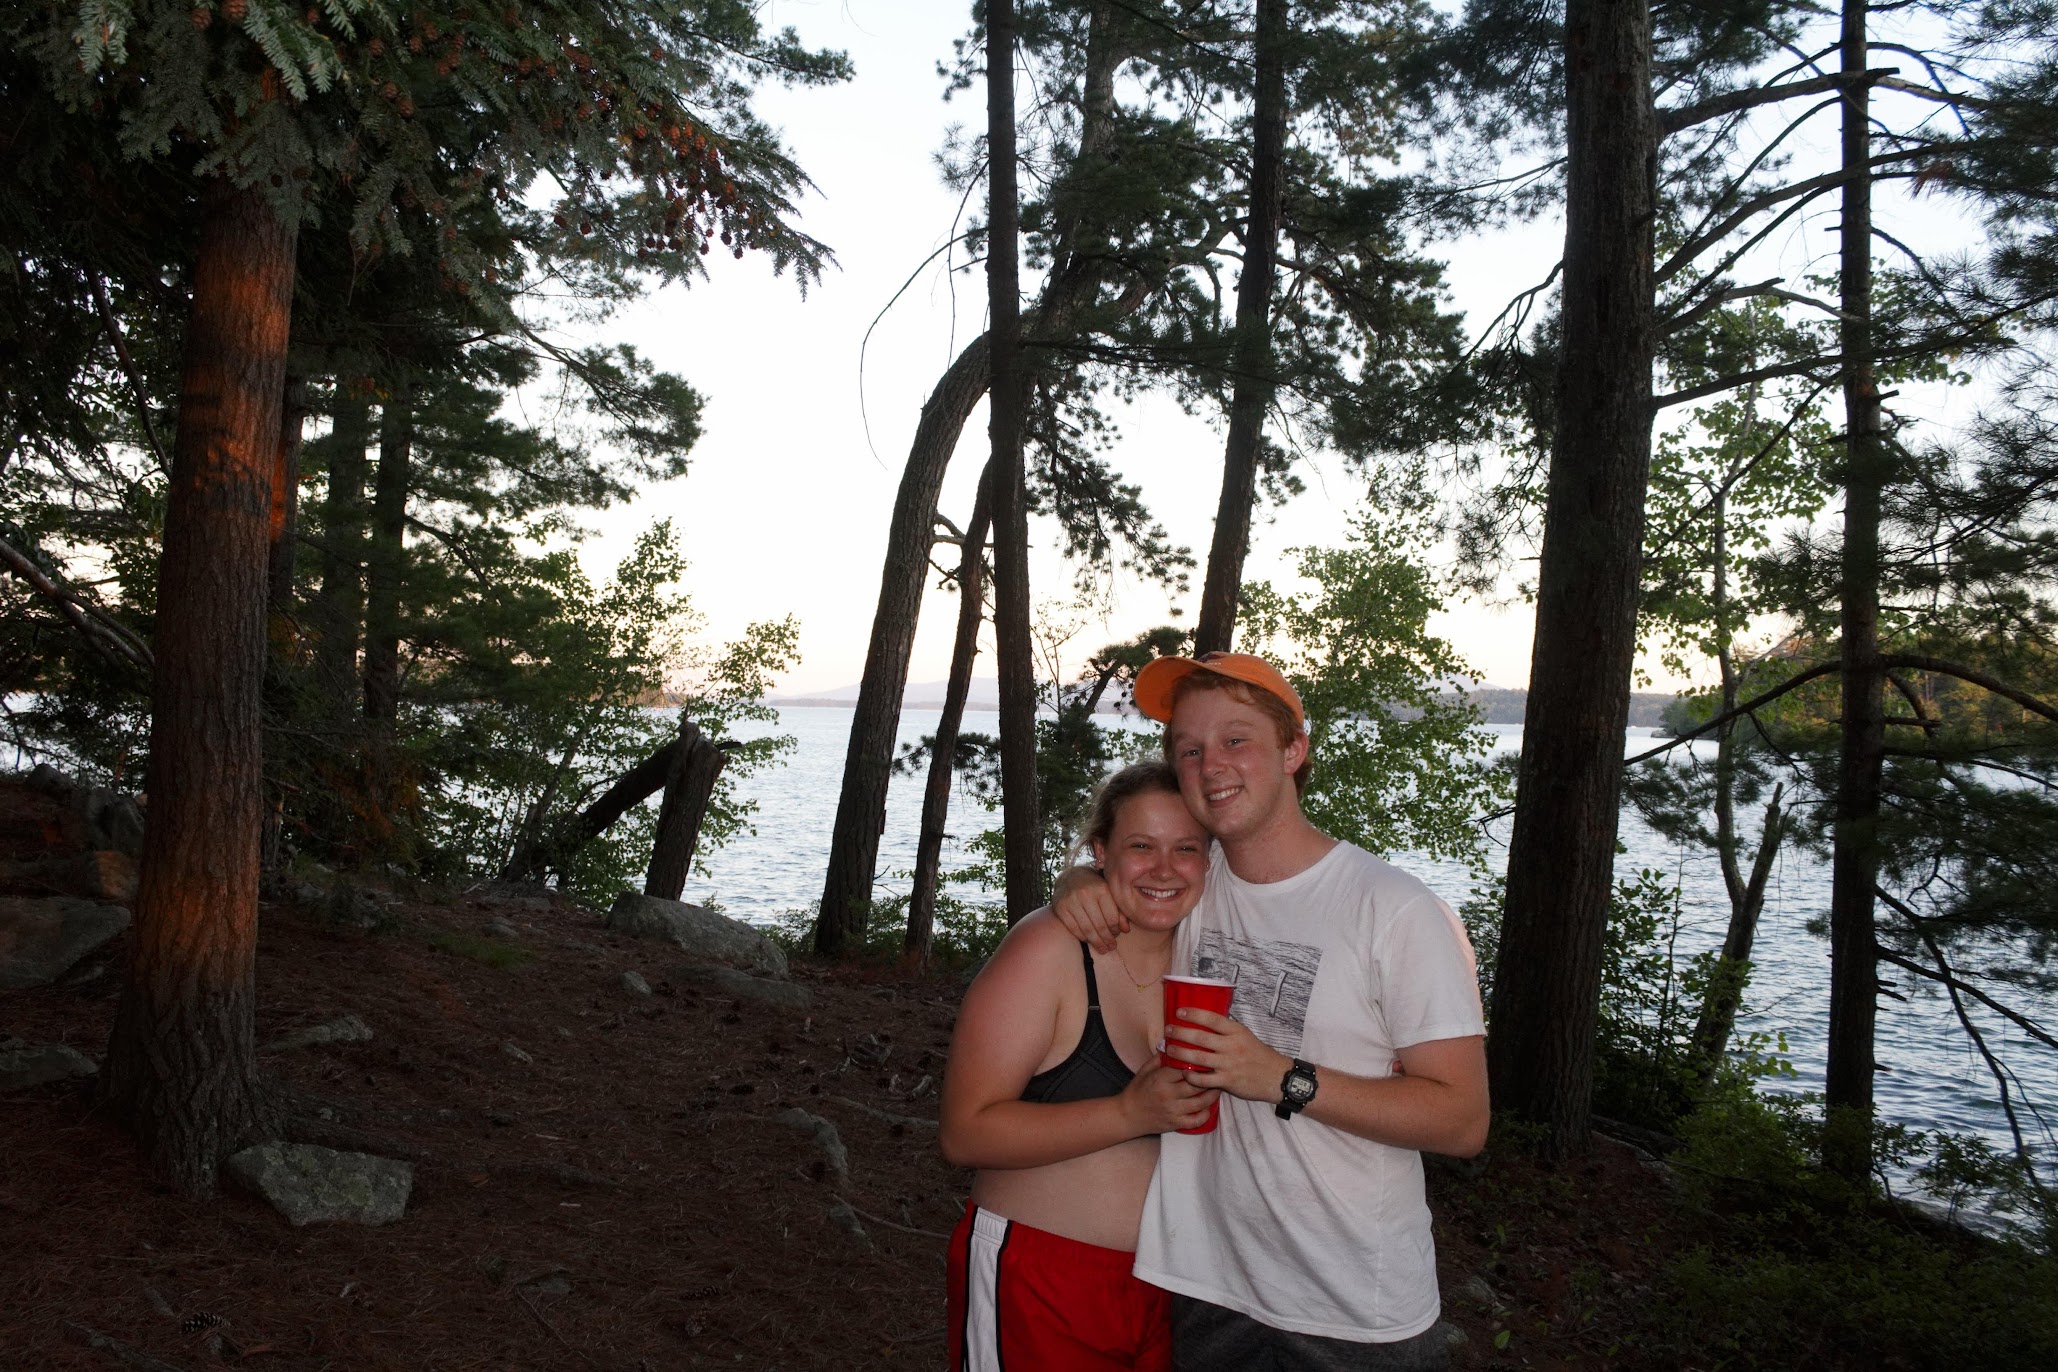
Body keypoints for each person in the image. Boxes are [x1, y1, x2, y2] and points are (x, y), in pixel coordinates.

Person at [1052, 652, 1489, 1371]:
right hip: (1207, 1286)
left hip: (1353, 1314)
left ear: (1294, 750)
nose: (1208, 764)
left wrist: (1283, 1077)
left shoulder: (1396, 911)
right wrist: (1076, 881)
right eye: (1187, 748)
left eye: (1235, 739)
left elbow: (1462, 1120)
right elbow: (1114, 876)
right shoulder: (1187, 885)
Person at [939, 761, 1221, 1372]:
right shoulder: (1047, 948)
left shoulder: (1212, 950)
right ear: (1101, 851)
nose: (1165, 869)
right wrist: (1127, 1113)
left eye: (1186, 849)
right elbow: (965, 1132)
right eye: (1140, 846)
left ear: (1209, 860)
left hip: (1173, 1289)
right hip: (1041, 1278)